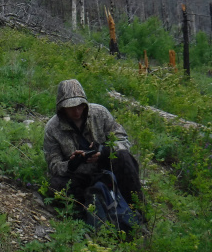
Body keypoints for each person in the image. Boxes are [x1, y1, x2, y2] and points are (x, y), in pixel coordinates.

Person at [43, 79, 144, 212]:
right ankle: (91, 211)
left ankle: (138, 210)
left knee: (124, 157)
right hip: (80, 177)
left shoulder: (100, 113)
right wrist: (71, 164)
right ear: (62, 108)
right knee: (54, 186)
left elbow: (122, 139)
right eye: (71, 108)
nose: (77, 111)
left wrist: (104, 151)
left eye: (80, 106)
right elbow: (53, 165)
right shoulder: (52, 128)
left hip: (107, 168)